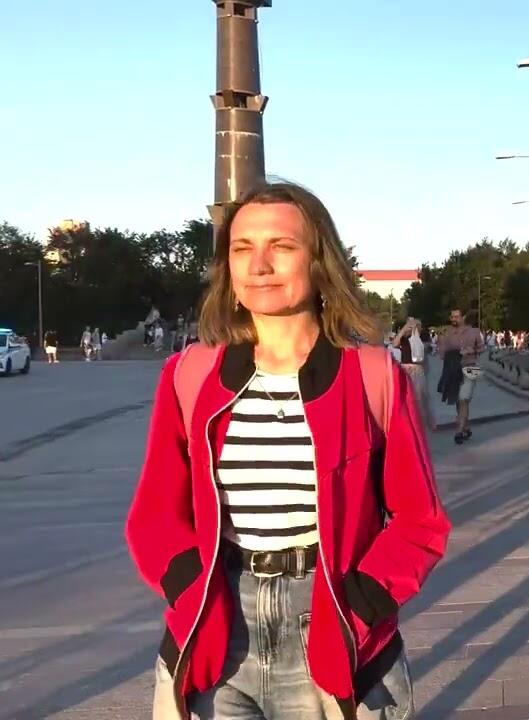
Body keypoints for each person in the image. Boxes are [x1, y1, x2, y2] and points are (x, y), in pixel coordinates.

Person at [124, 181, 449, 719]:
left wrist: (363, 603)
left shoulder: (371, 376)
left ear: (319, 262)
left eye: (281, 246)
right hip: (216, 623)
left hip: (333, 623)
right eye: (242, 248)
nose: (259, 265)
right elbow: (155, 514)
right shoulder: (190, 375)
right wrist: (187, 588)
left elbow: (420, 520)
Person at [438, 308, 485, 444]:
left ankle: (459, 431)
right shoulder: (447, 333)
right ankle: (466, 427)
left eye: (456, 316)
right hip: (453, 368)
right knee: (459, 401)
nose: (454, 319)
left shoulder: (474, 332)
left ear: (463, 317)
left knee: (464, 398)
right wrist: (444, 350)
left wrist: (472, 350)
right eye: (452, 317)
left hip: (471, 366)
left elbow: (482, 348)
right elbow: (442, 354)